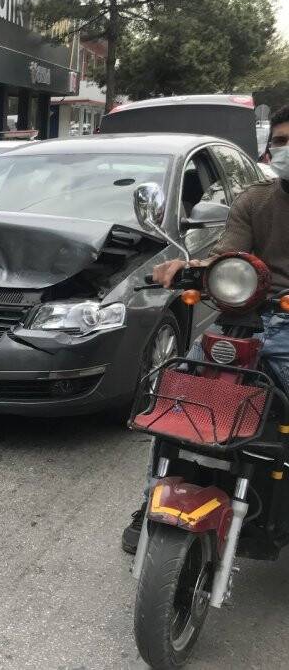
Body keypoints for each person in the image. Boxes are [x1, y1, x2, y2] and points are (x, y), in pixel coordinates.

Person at [120, 103, 289, 555]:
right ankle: (154, 499)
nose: (287, 149)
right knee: (178, 393)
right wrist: (189, 266)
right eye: (282, 141)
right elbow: (228, 255)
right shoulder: (255, 200)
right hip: (248, 317)